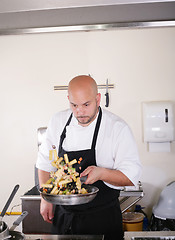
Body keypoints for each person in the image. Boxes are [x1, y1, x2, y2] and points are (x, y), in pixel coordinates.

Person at [36, 75, 142, 240]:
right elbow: (44, 164)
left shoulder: (117, 128)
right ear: (68, 100)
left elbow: (131, 177)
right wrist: (46, 199)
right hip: (64, 218)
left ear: (98, 99)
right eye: (74, 105)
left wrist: (102, 173)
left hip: (102, 219)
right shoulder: (58, 121)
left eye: (86, 104)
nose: (80, 112)